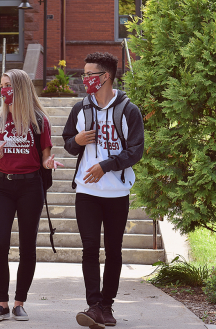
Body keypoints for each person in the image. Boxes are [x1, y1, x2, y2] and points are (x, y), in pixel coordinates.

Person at [62, 52, 144, 328]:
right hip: (86, 192)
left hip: (116, 192)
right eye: (84, 74)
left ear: (105, 76)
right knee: (89, 249)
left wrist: (106, 166)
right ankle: (94, 305)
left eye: (89, 74)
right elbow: (67, 143)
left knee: (113, 250)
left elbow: (135, 151)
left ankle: (106, 306)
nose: (85, 79)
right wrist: (77, 139)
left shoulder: (128, 110)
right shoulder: (80, 109)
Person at [0, 69, 63, 322]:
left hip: (30, 187)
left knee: (27, 246)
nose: (4, 90)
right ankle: (2, 303)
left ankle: (19, 302)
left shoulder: (39, 120)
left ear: (21, 88)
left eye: (8, 85)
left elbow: (45, 158)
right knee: (0, 245)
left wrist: (49, 164)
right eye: (1, 86)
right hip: (2, 186)